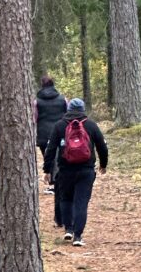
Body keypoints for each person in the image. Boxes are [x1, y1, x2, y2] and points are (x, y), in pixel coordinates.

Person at [42, 98, 108, 248]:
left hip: (65, 170)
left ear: (68, 109)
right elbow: (102, 147)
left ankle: (68, 229)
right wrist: (103, 165)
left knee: (65, 199)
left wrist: (47, 170)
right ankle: (78, 236)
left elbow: (50, 149)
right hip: (86, 170)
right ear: (83, 109)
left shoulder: (59, 126)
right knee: (81, 203)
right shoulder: (91, 125)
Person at [35, 76, 67, 226]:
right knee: (57, 157)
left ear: (42, 85)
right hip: (60, 133)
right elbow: (67, 115)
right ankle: (55, 180)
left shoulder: (37, 101)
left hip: (43, 134)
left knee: (48, 155)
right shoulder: (62, 99)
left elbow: (34, 118)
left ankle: (53, 182)